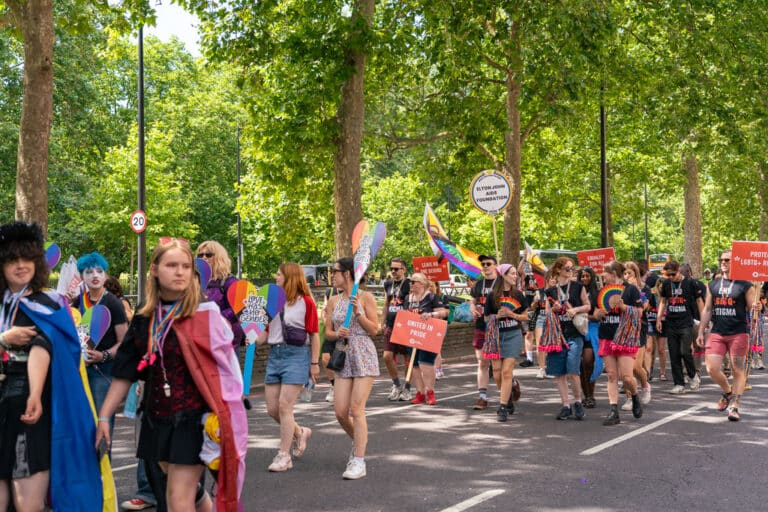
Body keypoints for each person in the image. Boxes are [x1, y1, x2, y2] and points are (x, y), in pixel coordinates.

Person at [96, 238, 248, 511]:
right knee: (176, 488)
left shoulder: (205, 314)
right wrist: (104, 416)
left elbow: (227, 372)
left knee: (177, 500)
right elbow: (125, 371)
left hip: (193, 418)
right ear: (154, 269)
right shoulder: (144, 318)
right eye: (171, 265)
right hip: (155, 417)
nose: (180, 272)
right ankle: (200, 497)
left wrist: (227, 415)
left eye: (186, 266)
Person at [0, 221, 106, 510]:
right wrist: (3, 340)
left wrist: (34, 394)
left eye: (27, 258)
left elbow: (44, 346)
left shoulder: (50, 304)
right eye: (11, 259)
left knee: (27, 501)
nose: (21, 266)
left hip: (32, 410)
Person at [259, 262, 320, 472]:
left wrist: (314, 363)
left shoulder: (307, 303)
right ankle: (300, 432)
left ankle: (283, 456)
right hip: (275, 354)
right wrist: (251, 336)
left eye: (278, 274)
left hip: (296, 355)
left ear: (290, 277)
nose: (275, 277)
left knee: (285, 406)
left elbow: (314, 334)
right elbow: (264, 333)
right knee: (272, 409)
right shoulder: (271, 302)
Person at [324, 257, 380, 480]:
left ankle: (359, 460)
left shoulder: (365, 297)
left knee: (357, 409)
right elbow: (327, 331)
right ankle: (359, 441)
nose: (332, 276)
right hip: (343, 353)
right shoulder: (333, 300)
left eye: (335, 272)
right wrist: (337, 334)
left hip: (363, 354)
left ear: (347, 274)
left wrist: (358, 313)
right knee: (340, 411)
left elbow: (374, 329)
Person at [696, 250, 758, 421]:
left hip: (738, 332)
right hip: (717, 332)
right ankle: (727, 391)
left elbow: (751, 307)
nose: (723, 262)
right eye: (721, 259)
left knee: (738, 369)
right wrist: (701, 331)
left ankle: (735, 406)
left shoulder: (746, 285)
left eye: (727, 260)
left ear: (735, 262)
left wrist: (757, 307)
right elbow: (708, 309)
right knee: (711, 368)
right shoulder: (713, 285)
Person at [72, 252, 129, 433]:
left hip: (103, 374)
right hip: (79, 373)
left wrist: (103, 355)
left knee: (101, 427)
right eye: (89, 272)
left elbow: (123, 341)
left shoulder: (113, 303)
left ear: (105, 275)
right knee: (81, 427)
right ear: (82, 276)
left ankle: (104, 462)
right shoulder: (76, 303)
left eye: (99, 271)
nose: (95, 275)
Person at [594, 261, 644, 426]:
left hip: (625, 337)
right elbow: (595, 311)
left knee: (627, 376)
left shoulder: (631, 290)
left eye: (605, 272)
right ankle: (613, 410)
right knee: (611, 375)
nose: (603, 275)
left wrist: (624, 307)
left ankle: (635, 395)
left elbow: (639, 312)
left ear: (614, 273)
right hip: (607, 335)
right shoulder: (602, 290)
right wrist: (598, 314)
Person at [542, 257, 590, 420]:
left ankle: (577, 401)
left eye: (572, 268)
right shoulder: (550, 291)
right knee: (559, 373)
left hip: (574, 334)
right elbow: (546, 314)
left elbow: (588, 306)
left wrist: (575, 309)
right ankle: (565, 405)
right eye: (568, 269)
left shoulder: (577, 287)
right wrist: (553, 310)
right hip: (557, 335)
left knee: (572, 370)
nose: (571, 271)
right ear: (558, 270)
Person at [483, 264, 528, 421]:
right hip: (495, 336)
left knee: (506, 371)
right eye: (512, 274)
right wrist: (496, 317)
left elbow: (526, 316)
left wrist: (511, 314)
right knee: (496, 371)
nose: (515, 276)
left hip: (513, 334)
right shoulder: (492, 295)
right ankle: (508, 396)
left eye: (516, 274)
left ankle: (502, 406)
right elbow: (485, 318)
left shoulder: (518, 294)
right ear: (503, 275)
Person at [656, 260, 704, 394]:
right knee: (674, 354)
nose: (670, 277)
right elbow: (663, 301)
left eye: (672, 274)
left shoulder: (690, 283)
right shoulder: (666, 284)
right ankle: (679, 383)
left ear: (678, 271)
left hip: (686, 322)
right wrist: (659, 319)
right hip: (671, 322)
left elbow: (700, 301)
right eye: (668, 275)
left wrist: (703, 320)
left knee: (685, 351)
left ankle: (693, 375)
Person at [404, 273, 448, 406]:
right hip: (412, 334)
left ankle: (430, 392)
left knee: (425, 363)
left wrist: (431, 314)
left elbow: (445, 312)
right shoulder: (408, 298)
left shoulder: (432, 297)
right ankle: (420, 393)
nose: (411, 284)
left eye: (414, 282)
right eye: (410, 282)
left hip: (428, 335)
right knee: (415, 365)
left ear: (422, 284)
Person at [195, 241, 244, 349]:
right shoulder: (195, 282)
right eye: (200, 255)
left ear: (218, 257)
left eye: (208, 255)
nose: (204, 257)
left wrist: (214, 318)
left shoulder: (230, 282)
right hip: (201, 341)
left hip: (225, 342)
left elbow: (237, 309)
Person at [620, 261, 652, 411]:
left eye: (629, 274)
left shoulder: (645, 288)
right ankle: (629, 397)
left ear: (636, 274)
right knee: (626, 369)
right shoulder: (620, 288)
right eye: (624, 273)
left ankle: (645, 385)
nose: (626, 276)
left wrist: (636, 290)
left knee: (636, 366)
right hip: (623, 329)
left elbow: (644, 307)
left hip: (639, 328)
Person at [469, 255, 498, 410]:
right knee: (482, 362)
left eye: (488, 264)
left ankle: (511, 385)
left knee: (498, 364)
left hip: (498, 327)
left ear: (495, 265)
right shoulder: (478, 284)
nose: (485, 266)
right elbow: (473, 300)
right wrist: (472, 308)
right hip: (481, 326)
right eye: (483, 264)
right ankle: (482, 397)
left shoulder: (501, 282)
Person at [380, 258, 412, 401]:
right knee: (387, 356)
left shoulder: (409, 284)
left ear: (403, 269)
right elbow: (386, 304)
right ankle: (397, 385)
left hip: (405, 327)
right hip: (391, 326)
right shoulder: (388, 284)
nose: (393, 271)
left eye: (396, 269)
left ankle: (407, 388)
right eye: (392, 268)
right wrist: (382, 322)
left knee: (408, 359)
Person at [578, 267, 600, 408]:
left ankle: (591, 395)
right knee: (579, 366)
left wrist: (583, 316)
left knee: (588, 362)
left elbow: (598, 316)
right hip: (576, 330)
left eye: (587, 276)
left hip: (592, 331)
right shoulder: (574, 292)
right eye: (582, 276)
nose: (585, 278)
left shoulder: (597, 294)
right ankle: (586, 396)